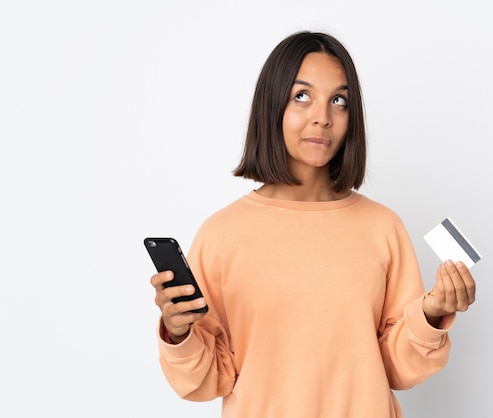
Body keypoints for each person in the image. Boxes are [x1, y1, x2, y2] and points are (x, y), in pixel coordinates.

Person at [150, 30, 476, 418]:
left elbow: (395, 367)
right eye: (302, 96)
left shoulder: (382, 227)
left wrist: (432, 312)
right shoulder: (222, 235)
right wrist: (179, 331)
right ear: (272, 106)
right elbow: (208, 380)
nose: (323, 117)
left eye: (338, 101)